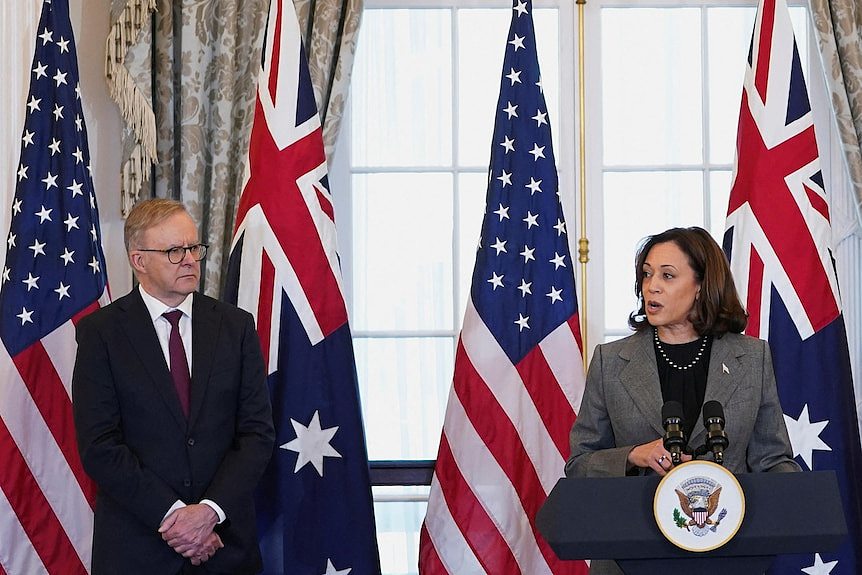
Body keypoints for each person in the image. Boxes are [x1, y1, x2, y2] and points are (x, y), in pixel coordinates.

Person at [566, 226, 799, 574]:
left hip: (729, 554)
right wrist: (633, 456)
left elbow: (772, 459)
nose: (652, 286)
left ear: (702, 285)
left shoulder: (751, 358)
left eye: (668, 275)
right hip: (631, 556)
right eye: (646, 274)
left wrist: (801, 497)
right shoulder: (611, 362)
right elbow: (579, 465)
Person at [72, 198, 275, 574]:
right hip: (138, 551)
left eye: (194, 248)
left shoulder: (235, 327)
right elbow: (100, 445)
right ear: (139, 260)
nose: (190, 260)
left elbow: (257, 435)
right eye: (174, 250)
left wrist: (209, 513)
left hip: (226, 550)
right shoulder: (101, 334)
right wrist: (177, 518)